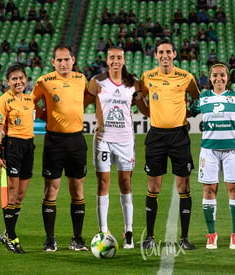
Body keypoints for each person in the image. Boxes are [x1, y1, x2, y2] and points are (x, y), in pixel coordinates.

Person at [140, 38, 200, 250]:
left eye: (168, 52)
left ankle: (184, 238)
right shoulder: (147, 76)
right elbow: (139, 97)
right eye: (161, 52)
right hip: (156, 136)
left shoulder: (186, 77)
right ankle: (149, 237)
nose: (165, 55)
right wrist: (147, 112)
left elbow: (198, 99)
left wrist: (188, 114)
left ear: (175, 54)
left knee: (183, 186)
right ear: (155, 55)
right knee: (153, 186)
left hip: (179, 136)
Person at [86, 47, 149, 249]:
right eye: (112, 57)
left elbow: (144, 109)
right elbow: (82, 104)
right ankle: (103, 230)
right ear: (106, 59)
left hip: (125, 141)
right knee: (103, 182)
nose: (115, 61)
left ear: (124, 60)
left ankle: (128, 230)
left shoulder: (134, 83)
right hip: (103, 139)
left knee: (125, 182)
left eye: (119, 57)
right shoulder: (96, 82)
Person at [190, 63, 235, 250]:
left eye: (222, 75)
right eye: (215, 75)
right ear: (209, 78)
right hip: (209, 151)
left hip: (232, 150)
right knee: (209, 191)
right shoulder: (203, 98)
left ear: (228, 78)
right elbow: (186, 113)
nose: (219, 79)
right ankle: (212, 235)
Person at [31, 45, 90, 252]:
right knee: (51, 191)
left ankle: (78, 238)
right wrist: (45, 115)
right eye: (59, 60)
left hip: (76, 141)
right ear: (53, 62)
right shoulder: (44, 82)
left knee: (77, 190)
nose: (63, 63)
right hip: (54, 142)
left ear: (73, 59)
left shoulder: (82, 79)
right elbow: (31, 102)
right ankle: (50, 239)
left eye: (67, 59)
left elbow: (89, 97)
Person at [0, 64, 36, 254]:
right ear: (7, 82)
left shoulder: (29, 99)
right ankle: (11, 236)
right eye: (14, 79)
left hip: (29, 146)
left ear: (26, 79)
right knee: (12, 192)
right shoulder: (3, 101)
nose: (18, 82)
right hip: (12, 147)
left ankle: (7, 233)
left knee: (21, 194)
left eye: (21, 78)